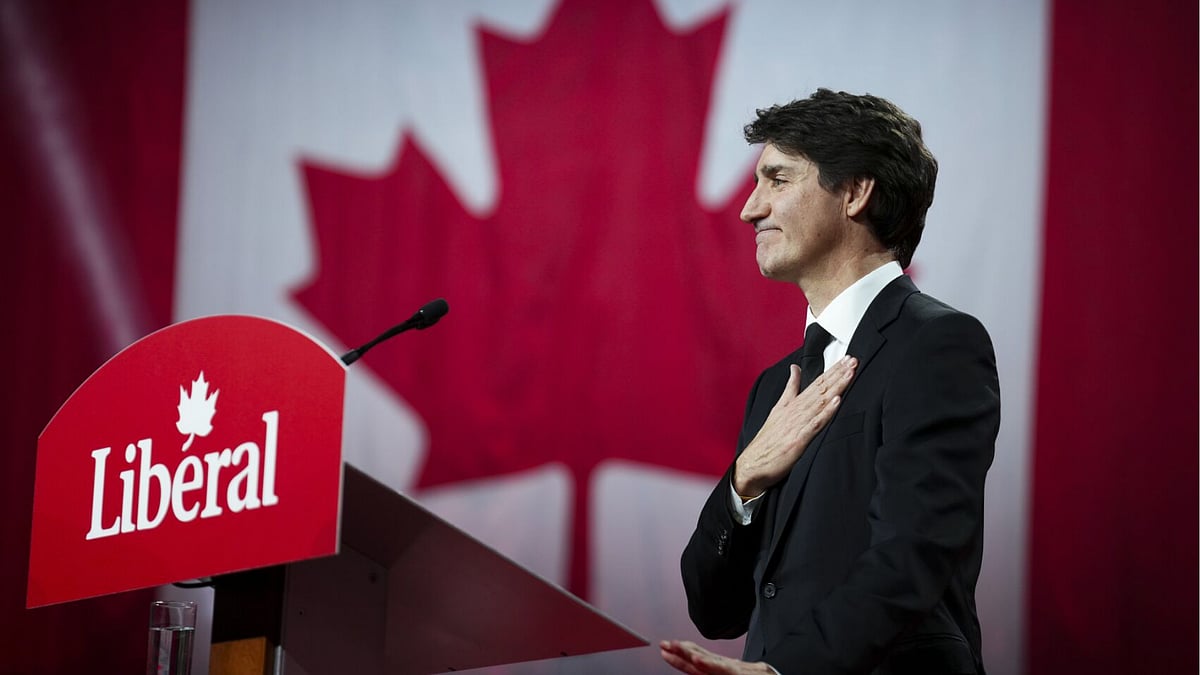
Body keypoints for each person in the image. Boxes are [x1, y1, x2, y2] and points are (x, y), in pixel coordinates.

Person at [661, 89, 1000, 675]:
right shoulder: (775, 386)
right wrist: (743, 483)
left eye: (778, 179)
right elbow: (714, 610)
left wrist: (782, 671)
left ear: (853, 192)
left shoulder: (937, 345)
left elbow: (910, 559)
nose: (749, 208)